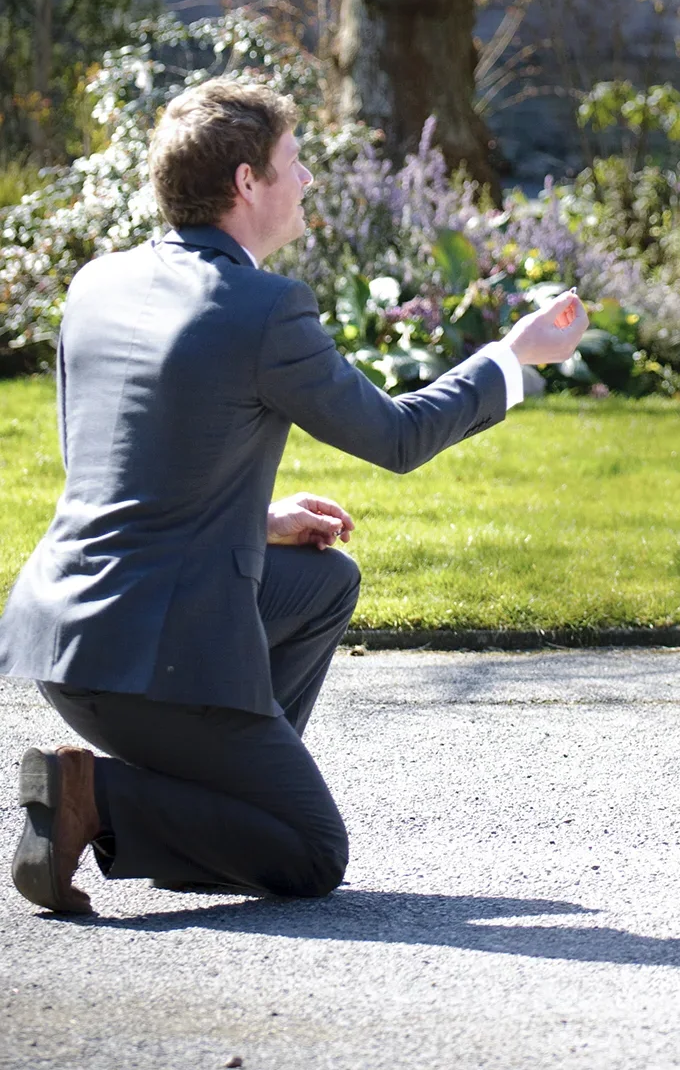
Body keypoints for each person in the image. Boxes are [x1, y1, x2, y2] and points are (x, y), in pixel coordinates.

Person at [1, 78, 587, 915]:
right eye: (293, 162)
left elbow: (118, 463)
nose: (307, 178)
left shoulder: (100, 281)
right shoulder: (263, 308)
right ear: (247, 183)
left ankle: (218, 811)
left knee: (322, 581)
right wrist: (511, 355)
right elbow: (397, 437)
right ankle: (100, 798)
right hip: (149, 655)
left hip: (62, 636)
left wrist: (258, 519)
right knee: (311, 855)